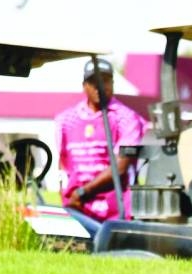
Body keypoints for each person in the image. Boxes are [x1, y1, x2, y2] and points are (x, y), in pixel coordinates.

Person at [54, 58, 147, 223]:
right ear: (85, 86)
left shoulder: (126, 118)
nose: (100, 87)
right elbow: (63, 164)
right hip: (77, 207)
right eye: (93, 81)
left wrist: (83, 192)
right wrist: (67, 196)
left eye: (105, 81)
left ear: (112, 83)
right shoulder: (66, 120)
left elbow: (120, 168)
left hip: (114, 213)